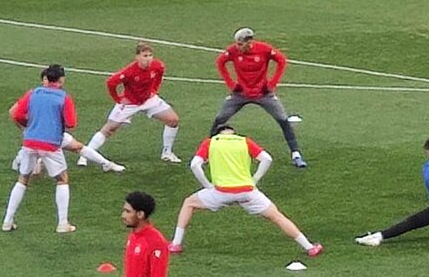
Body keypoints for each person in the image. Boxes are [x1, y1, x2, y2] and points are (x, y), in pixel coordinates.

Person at [169, 126, 322, 256]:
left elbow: (195, 165)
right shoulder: (244, 141)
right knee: (277, 216)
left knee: (189, 203)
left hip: (220, 192)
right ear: (233, 133)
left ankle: (176, 244)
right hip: (247, 192)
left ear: (218, 134)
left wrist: (207, 185)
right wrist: (255, 179)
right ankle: (309, 247)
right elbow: (267, 159)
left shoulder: (211, 143)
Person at [208, 27, 305, 167]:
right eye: (236, 43)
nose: (237, 47)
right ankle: (208, 153)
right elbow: (220, 62)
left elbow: (282, 60)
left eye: (240, 44)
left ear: (249, 42)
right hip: (240, 94)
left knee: (283, 119)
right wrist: (231, 84)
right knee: (219, 119)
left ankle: (296, 154)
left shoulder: (264, 49)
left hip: (263, 94)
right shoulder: (233, 51)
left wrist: (272, 83)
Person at [2, 64, 78, 234]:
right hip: (50, 144)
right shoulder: (63, 97)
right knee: (62, 179)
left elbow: (17, 114)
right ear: (61, 79)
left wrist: (30, 127)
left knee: (23, 179)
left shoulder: (33, 93)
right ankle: (62, 223)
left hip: (29, 142)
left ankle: (7, 221)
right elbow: (71, 123)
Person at [83, 42, 182, 164]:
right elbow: (111, 83)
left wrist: (154, 90)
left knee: (173, 120)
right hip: (130, 103)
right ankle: (86, 154)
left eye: (150, 55)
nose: (148, 59)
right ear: (137, 57)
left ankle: (167, 153)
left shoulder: (157, 65)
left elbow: (160, 74)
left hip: (149, 100)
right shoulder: (130, 71)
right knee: (109, 128)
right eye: (145, 56)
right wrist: (118, 99)